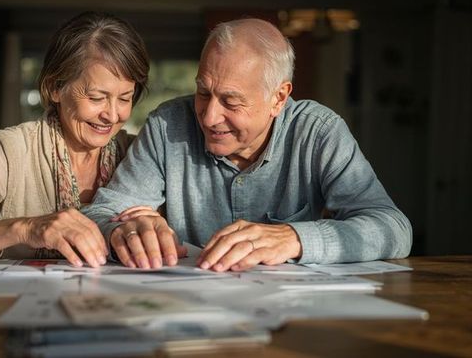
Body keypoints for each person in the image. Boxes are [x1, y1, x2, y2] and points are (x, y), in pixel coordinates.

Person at [84, 18, 412, 271]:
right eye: (203, 92)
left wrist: (294, 238)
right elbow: (102, 213)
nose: (209, 117)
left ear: (278, 98)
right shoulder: (167, 125)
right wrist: (122, 233)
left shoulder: (318, 132)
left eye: (231, 101)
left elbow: (393, 228)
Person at [0, 12, 156, 267]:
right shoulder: (12, 151)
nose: (112, 115)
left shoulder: (142, 153)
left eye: (125, 98)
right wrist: (26, 228)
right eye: (96, 97)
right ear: (55, 88)